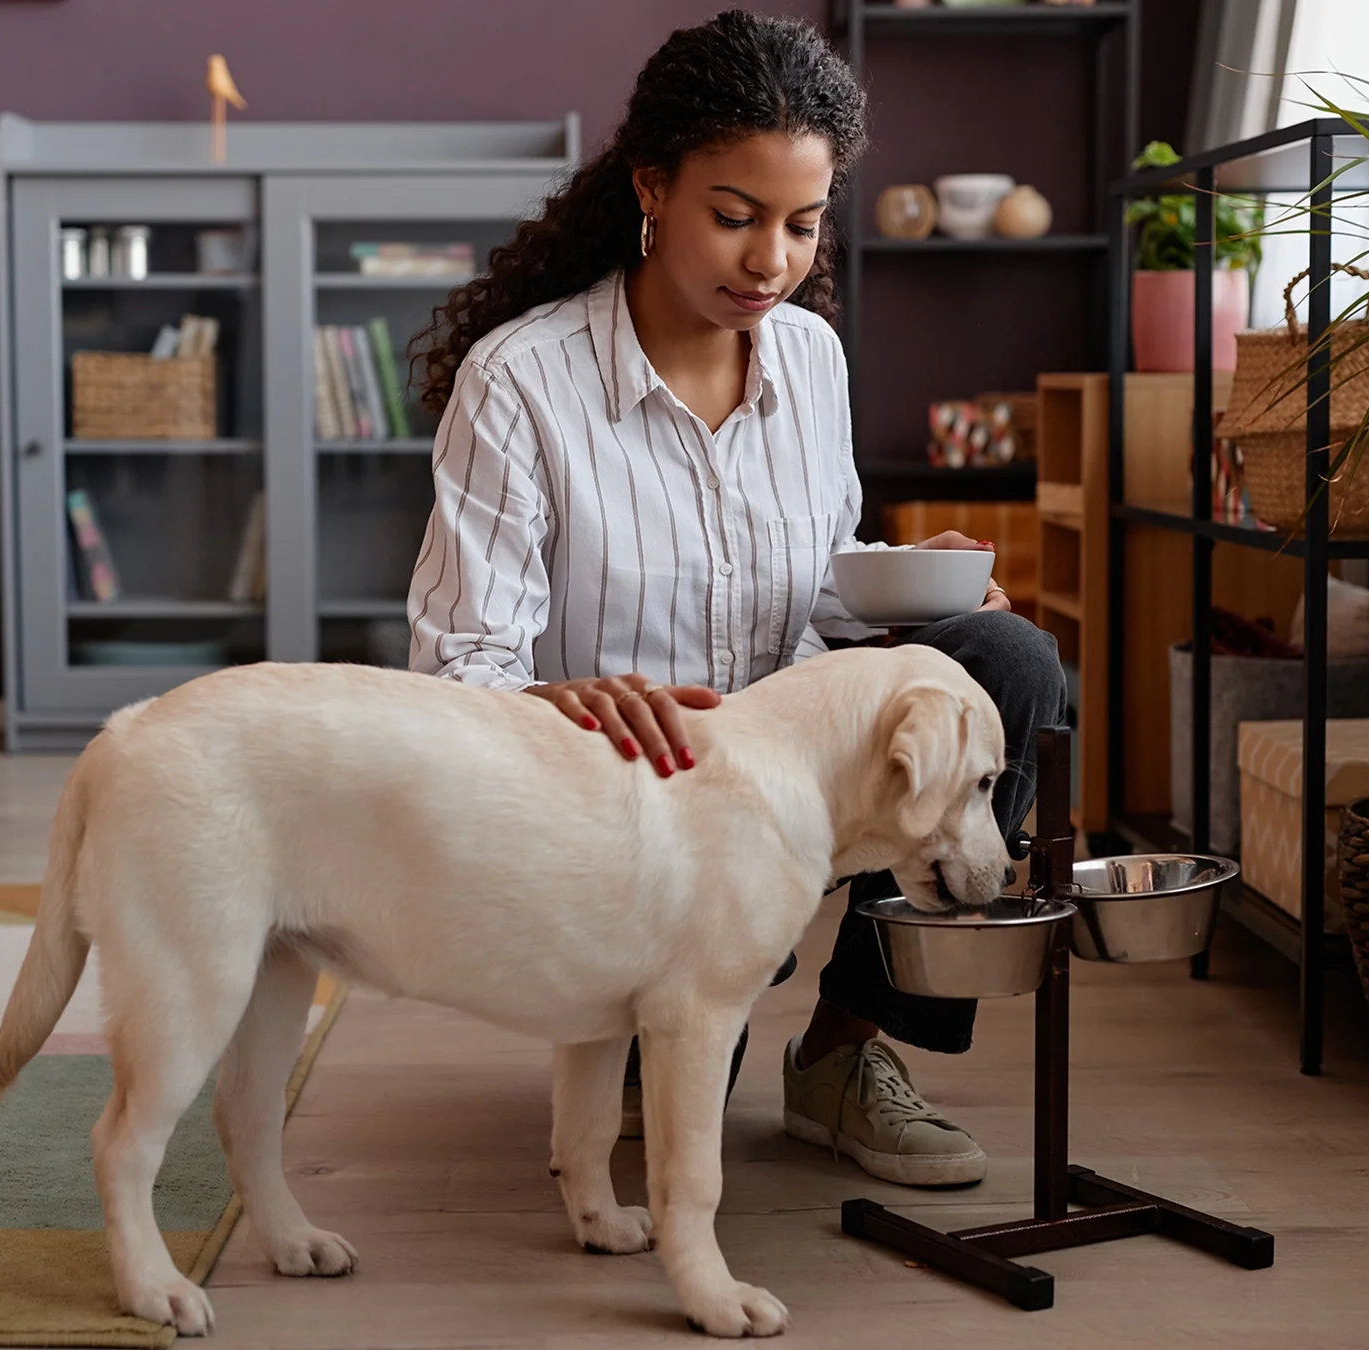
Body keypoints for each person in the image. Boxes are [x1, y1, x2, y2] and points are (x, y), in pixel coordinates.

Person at [403, 9, 1064, 1188]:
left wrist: (906, 581)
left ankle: (845, 1054)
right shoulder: (523, 381)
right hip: (631, 796)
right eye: (735, 216)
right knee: (670, 1084)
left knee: (1004, 663)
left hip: (786, 767)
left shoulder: (810, 357)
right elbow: (456, 675)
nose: (771, 261)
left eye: (803, 225)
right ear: (652, 189)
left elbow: (812, 588)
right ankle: (666, 1017)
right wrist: (575, 702)